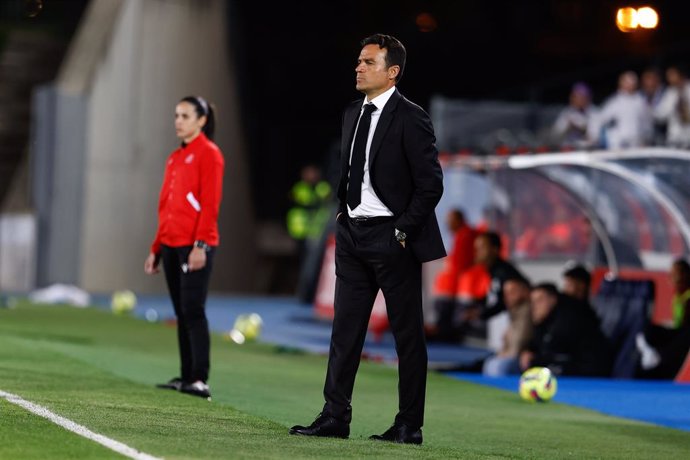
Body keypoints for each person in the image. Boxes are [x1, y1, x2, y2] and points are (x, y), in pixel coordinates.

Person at [289, 33, 445, 445]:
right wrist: (345, 213)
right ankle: (334, 416)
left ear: (392, 72)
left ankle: (409, 425)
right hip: (353, 235)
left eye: (369, 62)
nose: (358, 67)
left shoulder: (412, 117)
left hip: (392, 238)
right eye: (358, 61)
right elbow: (352, 171)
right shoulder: (351, 113)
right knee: (344, 332)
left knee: (406, 336)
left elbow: (430, 185)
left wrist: (402, 230)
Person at [144, 96, 224, 400]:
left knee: (193, 310)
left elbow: (210, 205)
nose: (178, 121)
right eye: (176, 115)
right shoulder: (175, 157)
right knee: (181, 311)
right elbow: (165, 205)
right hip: (171, 244)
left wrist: (201, 245)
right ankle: (186, 374)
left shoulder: (210, 154)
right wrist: (156, 247)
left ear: (201, 120)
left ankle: (200, 379)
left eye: (185, 115)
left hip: (195, 245)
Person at [520, 283, 613, 377]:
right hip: (572, 364)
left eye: (539, 300)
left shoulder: (567, 318)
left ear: (553, 299)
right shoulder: (546, 320)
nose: (535, 306)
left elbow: (553, 351)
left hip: (590, 369)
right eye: (533, 302)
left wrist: (534, 359)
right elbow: (538, 344)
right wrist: (529, 350)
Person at [635, 258, 690, 379]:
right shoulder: (677, 297)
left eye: (674, 274)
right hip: (679, 333)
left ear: (684, 276)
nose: (670, 277)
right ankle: (649, 352)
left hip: (685, 339)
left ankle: (659, 356)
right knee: (648, 327)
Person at [286, 164, 333, 302]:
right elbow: (299, 203)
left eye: (312, 173)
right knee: (305, 264)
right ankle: (303, 294)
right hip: (301, 233)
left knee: (315, 265)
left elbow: (328, 203)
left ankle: (311, 295)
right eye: (307, 173)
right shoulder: (299, 188)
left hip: (319, 233)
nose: (309, 176)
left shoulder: (323, 188)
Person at [430, 208, 477, 342]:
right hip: (454, 285)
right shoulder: (460, 235)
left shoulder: (466, 235)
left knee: (448, 316)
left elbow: (462, 264)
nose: (447, 224)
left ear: (458, 220)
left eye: (450, 220)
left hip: (458, 286)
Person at [482, 275, 533, 376]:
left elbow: (519, 342)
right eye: (506, 293)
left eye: (512, 292)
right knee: (490, 363)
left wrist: (504, 355)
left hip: (522, 358)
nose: (507, 297)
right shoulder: (514, 312)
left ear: (525, 292)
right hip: (510, 355)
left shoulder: (527, 311)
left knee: (499, 366)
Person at [588, 70, 650, 150]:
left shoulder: (641, 101)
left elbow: (647, 123)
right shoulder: (615, 101)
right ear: (621, 83)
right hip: (619, 145)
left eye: (632, 82)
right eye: (627, 82)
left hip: (636, 144)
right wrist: (594, 136)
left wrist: (646, 140)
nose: (630, 85)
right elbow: (599, 119)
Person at [550, 81, 598, 150]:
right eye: (574, 96)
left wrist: (581, 129)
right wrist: (568, 128)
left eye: (579, 97)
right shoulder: (567, 112)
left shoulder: (594, 113)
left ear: (586, 98)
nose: (574, 99)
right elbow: (556, 134)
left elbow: (594, 139)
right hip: (568, 150)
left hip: (587, 151)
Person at [654, 64, 690, 148]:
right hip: (675, 137)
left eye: (671, 75)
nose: (669, 78)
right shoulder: (670, 92)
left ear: (680, 75)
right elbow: (661, 116)